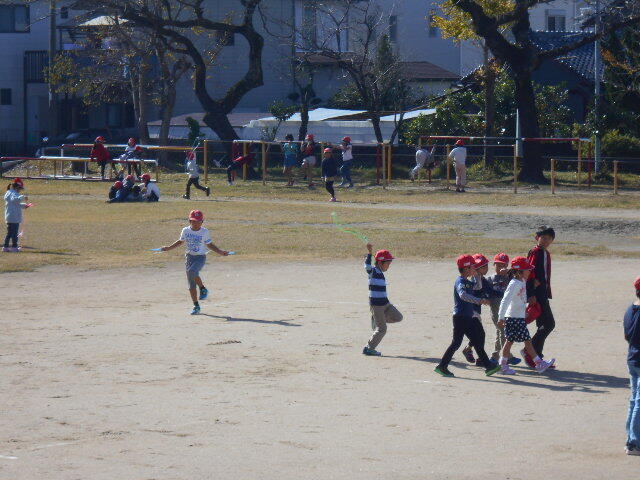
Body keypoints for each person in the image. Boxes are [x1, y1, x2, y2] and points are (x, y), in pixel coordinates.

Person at [434, 254, 501, 377]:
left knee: (458, 343)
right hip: (461, 317)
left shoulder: (468, 282)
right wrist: (480, 300)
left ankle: (442, 366)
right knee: (472, 341)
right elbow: (463, 295)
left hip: (466, 317)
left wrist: (477, 275)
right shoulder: (461, 281)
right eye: (472, 267)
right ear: (466, 268)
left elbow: (478, 286)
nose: (475, 268)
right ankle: (488, 366)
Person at [160, 210, 230, 315]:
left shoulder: (204, 232)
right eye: (193, 221)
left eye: (198, 221)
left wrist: (220, 252)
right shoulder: (185, 230)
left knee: (192, 271)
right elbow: (180, 242)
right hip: (189, 257)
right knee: (191, 282)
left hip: (200, 257)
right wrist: (168, 248)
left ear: (202, 222)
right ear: (189, 221)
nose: (195, 223)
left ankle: (202, 288)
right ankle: (196, 305)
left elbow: (209, 245)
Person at [497, 256, 555, 375]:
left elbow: (520, 299)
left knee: (513, 341)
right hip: (513, 318)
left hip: (518, 317)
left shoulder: (521, 282)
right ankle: (538, 363)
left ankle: (503, 365)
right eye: (527, 270)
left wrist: (524, 312)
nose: (529, 272)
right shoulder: (514, 284)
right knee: (524, 341)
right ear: (519, 272)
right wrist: (501, 317)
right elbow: (505, 301)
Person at [362, 243, 402, 356]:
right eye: (388, 263)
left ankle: (377, 319)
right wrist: (369, 253)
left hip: (386, 303)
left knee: (398, 317)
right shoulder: (373, 271)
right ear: (380, 262)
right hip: (377, 306)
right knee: (382, 329)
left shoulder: (381, 272)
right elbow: (367, 266)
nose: (389, 266)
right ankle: (369, 348)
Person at [524, 226, 556, 368]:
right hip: (537, 295)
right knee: (549, 324)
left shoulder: (545, 253)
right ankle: (529, 352)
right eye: (543, 238)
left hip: (543, 293)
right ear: (537, 238)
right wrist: (530, 293)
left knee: (543, 325)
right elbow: (528, 272)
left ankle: (537, 357)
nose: (546, 240)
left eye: (549, 238)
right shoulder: (535, 252)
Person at [461, 254, 497, 368]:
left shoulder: (482, 279)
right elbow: (476, 289)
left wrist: (504, 293)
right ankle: (481, 359)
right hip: (470, 312)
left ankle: (469, 349)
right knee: (480, 334)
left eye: (486, 266)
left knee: (478, 335)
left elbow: (490, 291)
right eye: (484, 266)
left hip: (476, 311)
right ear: (477, 268)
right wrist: (483, 298)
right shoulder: (474, 279)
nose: (487, 268)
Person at [487, 253, 520, 364]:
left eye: (504, 265)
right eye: (498, 265)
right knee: (503, 331)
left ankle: (495, 356)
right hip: (496, 310)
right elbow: (485, 291)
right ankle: (508, 356)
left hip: (508, 310)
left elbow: (518, 282)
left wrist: (508, 275)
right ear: (494, 265)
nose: (501, 268)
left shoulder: (510, 278)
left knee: (500, 332)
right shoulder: (490, 279)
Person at [624, 277, 640, 456]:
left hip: (632, 358)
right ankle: (634, 443)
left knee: (634, 400)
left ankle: (630, 439)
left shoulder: (630, 309)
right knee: (638, 402)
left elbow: (627, 336)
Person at [3, 178, 30, 252]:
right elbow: (15, 200)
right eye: (20, 189)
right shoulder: (14, 194)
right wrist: (22, 197)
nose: (20, 191)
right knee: (14, 234)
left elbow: (15, 204)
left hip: (9, 217)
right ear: (17, 187)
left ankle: (5, 247)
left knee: (9, 233)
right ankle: (14, 247)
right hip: (14, 218)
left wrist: (24, 206)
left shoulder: (9, 193)